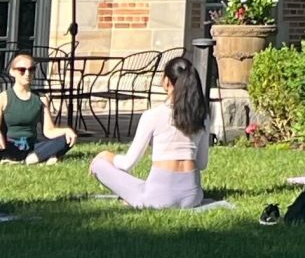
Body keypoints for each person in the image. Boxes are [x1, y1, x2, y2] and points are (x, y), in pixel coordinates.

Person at [90, 54, 214, 210]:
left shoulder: (153, 115)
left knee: (99, 166)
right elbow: (201, 164)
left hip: (158, 198)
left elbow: (128, 163)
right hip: (192, 196)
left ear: (167, 82)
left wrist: (107, 155)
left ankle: (137, 194)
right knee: (142, 186)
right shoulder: (203, 117)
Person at [0, 53, 77, 164]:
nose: (27, 73)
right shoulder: (2, 98)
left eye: (31, 69)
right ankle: (42, 156)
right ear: (12, 72)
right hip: (8, 145)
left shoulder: (41, 99)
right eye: (22, 70)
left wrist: (66, 131)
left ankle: (32, 157)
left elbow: (49, 131)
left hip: (31, 146)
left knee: (66, 138)